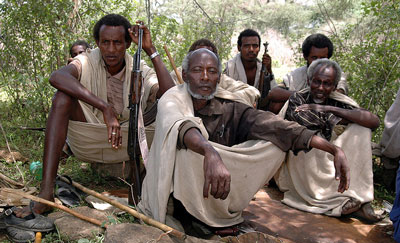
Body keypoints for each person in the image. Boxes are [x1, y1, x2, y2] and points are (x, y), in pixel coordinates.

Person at [138, 49, 350, 231]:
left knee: (275, 144)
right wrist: (209, 152)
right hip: (173, 197)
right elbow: (182, 126)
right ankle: (192, 217)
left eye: (212, 71)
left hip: (212, 192)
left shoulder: (229, 106)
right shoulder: (172, 97)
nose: (205, 77)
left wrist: (333, 150)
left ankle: (219, 212)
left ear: (219, 77)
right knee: (189, 152)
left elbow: (278, 126)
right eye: (197, 70)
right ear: (184, 74)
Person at [15, 14, 175, 217]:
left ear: (127, 44)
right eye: (105, 42)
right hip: (88, 136)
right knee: (61, 98)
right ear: (97, 43)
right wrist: (105, 108)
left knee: (167, 109)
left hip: (128, 141)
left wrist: (150, 50)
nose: (110, 49)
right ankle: (46, 192)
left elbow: (171, 94)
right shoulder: (87, 60)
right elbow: (57, 77)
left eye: (117, 43)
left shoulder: (139, 68)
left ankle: (143, 186)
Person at [276, 58, 382, 222]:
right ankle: (330, 198)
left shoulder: (338, 102)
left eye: (327, 84)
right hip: (306, 158)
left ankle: (356, 195)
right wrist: (341, 118)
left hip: (333, 155)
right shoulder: (298, 99)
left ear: (335, 86)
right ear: (308, 80)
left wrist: (328, 108)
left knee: (361, 129)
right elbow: (310, 126)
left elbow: (373, 121)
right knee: (312, 137)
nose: (320, 88)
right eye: (316, 81)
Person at [267, 33, 349, 114]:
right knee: (276, 105)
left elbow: (338, 95)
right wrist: (303, 96)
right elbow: (274, 93)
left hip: (326, 113)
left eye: (323, 58)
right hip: (297, 113)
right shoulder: (295, 75)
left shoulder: (336, 75)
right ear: (305, 57)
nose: (319, 62)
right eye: (314, 58)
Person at [170, 38, 260, 107]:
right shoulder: (177, 73)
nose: (205, 77)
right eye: (198, 69)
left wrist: (220, 97)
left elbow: (251, 91)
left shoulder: (220, 78)